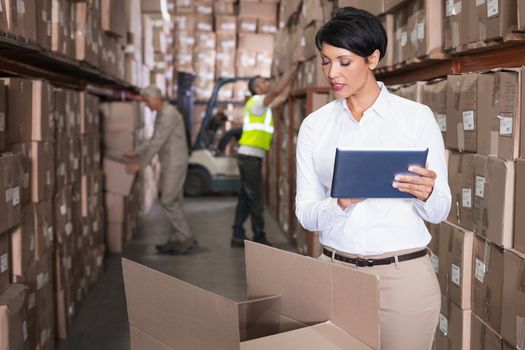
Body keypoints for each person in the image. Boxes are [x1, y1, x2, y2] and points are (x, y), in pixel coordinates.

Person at [295, 7, 450, 350]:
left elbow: (440, 211)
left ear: (373, 58)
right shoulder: (315, 127)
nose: (332, 72)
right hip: (336, 275)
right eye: (326, 61)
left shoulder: (415, 119)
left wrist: (427, 193)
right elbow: (305, 214)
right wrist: (340, 202)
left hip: (403, 279)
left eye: (344, 61)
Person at [231, 49, 305, 248]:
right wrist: (293, 66)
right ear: (256, 88)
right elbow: (276, 92)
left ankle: (237, 234)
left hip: (251, 157)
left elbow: (284, 94)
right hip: (249, 157)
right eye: (263, 82)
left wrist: (296, 74)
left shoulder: (263, 107)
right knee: (256, 198)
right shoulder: (256, 102)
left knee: (246, 196)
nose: (267, 84)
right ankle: (259, 237)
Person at [124, 85, 197, 255]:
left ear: (156, 98)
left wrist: (140, 164)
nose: (147, 105)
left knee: (167, 200)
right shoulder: (162, 113)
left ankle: (185, 236)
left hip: (175, 161)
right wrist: (136, 151)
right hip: (169, 160)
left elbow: (158, 142)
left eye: (147, 101)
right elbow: (154, 139)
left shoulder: (168, 114)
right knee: (175, 200)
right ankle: (176, 238)